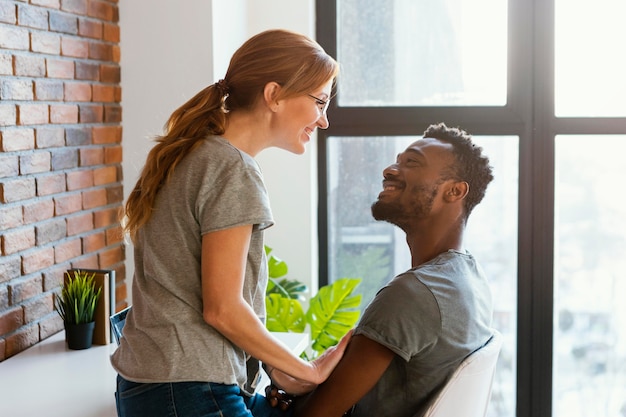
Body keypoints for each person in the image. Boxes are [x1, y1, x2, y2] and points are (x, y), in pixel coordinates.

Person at [110, 29, 351, 417]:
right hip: (187, 389)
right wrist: (305, 370)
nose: (323, 120)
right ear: (274, 95)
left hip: (159, 386)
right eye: (320, 102)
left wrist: (277, 367)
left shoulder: (195, 153)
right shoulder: (232, 168)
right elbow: (221, 308)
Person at [294, 123, 496, 417]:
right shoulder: (470, 278)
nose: (389, 170)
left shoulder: (414, 294)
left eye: (411, 162)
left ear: (454, 191)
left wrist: (285, 394)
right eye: (397, 161)